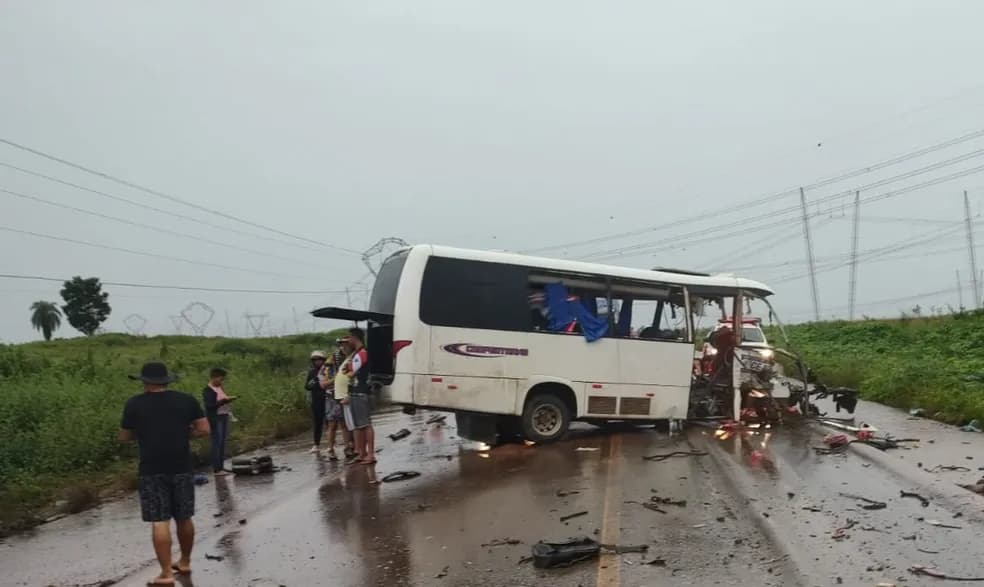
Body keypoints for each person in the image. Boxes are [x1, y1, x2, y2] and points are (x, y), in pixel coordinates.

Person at [119, 361, 209, 586]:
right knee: (184, 517)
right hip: (181, 466)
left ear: (144, 381)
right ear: (167, 380)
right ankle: (185, 561)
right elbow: (204, 429)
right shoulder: (186, 400)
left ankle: (166, 573)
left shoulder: (134, 404)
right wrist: (185, 434)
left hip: (151, 469)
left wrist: (143, 433)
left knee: (160, 521)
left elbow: (124, 437)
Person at [342, 327, 375, 465]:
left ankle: (370, 454)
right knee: (359, 425)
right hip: (355, 392)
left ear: (354, 338)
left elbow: (350, 372)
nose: (348, 340)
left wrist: (348, 369)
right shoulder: (356, 353)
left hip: (361, 391)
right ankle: (362, 453)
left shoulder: (362, 353)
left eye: (349, 337)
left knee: (365, 424)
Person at [320, 342, 355, 460]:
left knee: (345, 424)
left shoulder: (349, 362)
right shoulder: (327, 366)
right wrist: (335, 379)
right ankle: (330, 449)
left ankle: (348, 448)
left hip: (344, 395)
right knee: (332, 425)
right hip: (331, 397)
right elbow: (323, 384)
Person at [202, 367, 235, 476]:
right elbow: (209, 406)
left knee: (222, 443)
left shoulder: (220, 388)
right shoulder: (208, 390)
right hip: (216, 418)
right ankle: (216, 469)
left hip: (224, 416)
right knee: (217, 443)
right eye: (221, 379)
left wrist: (227, 400)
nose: (222, 381)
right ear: (214, 377)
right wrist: (223, 402)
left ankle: (221, 467)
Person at [305, 350, 329, 453]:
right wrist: (314, 381)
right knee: (317, 423)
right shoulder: (312, 372)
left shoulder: (327, 370)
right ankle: (316, 444)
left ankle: (330, 444)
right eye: (315, 360)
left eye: (319, 360)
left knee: (329, 423)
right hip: (316, 401)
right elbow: (307, 386)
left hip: (327, 399)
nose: (317, 362)